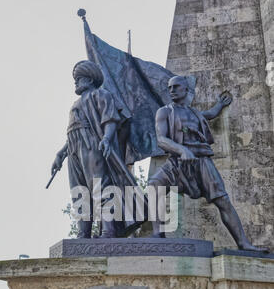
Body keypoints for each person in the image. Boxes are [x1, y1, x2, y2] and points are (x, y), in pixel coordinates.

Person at [149, 75, 267, 251]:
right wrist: (182, 150)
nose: (171, 90)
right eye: (170, 87)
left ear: (186, 90)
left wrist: (220, 104)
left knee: (223, 201)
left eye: (176, 87)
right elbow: (161, 139)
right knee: (154, 185)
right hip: (177, 161)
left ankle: (243, 243)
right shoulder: (165, 112)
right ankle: (158, 234)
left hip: (201, 162)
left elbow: (210, 115)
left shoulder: (195, 113)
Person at [51, 60, 141, 238]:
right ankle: (83, 233)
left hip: (92, 144)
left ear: (90, 80)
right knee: (79, 191)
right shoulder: (75, 104)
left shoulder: (100, 95)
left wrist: (107, 139)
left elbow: (110, 120)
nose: (75, 82)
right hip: (74, 149)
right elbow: (73, 131)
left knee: (100, 186)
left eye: (79, 78)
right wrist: (61, 154)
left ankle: (109, 230)